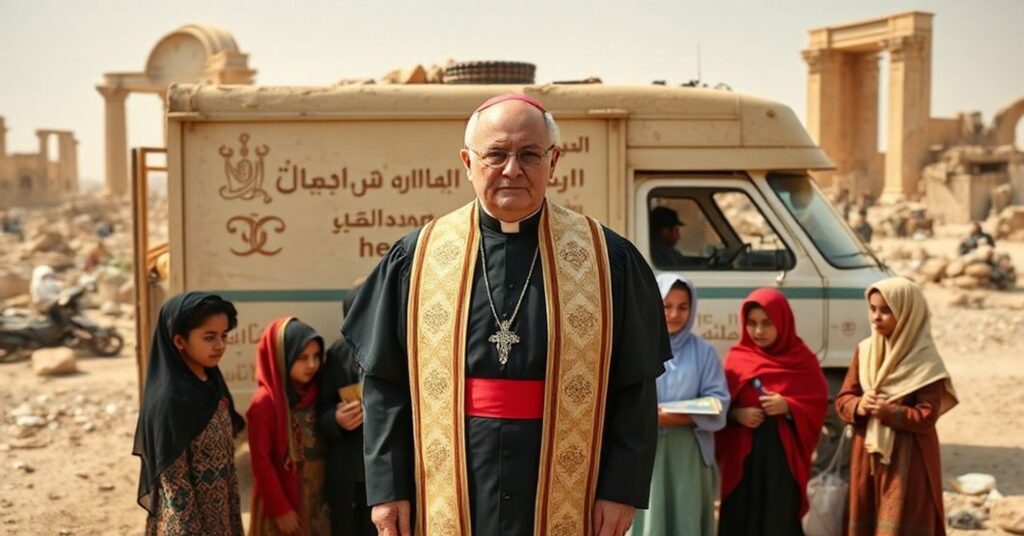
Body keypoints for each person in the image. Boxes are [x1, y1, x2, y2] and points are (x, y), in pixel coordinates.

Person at [342, 93, 669, 536]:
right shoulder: (416, 258)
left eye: (529, 154)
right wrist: (386, 490)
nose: (512, 169)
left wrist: (622, 489)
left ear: (553, 162)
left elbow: (634, 387)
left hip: (568, 483)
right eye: (496, 154)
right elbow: (384, 383)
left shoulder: (607, 259)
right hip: (448, 481)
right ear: (467, 161)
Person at [835, 277, 958, 535]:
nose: (876, 317)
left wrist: (888, 412)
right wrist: (859, 404)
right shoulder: (865, 351)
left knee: (904, 524)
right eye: (872, 309)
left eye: (886, 310)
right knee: (866, 517)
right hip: (866, 457)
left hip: (909, 461)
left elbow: (926, 416)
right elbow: (843, 399)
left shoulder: (924, 361)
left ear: (907, 314)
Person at [716, 288, 828, 536]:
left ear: (783, 322)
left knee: (779, 520)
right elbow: (718, 406)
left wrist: (789, 406)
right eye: (752, 323)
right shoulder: (737, 359)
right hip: (743, 462)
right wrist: (737, 415)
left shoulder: (802, 361)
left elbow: (818, 404)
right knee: (740, 518)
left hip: (782, 462)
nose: (758, 331)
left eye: (767, 323)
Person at [132, 292, 246, 535]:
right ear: (179, 342)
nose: (220, 345)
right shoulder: (170, 401)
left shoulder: (212, 383)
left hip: (224, 514)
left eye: (224, 336)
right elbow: (175, 488)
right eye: (209, 337)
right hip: (190, 524)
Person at [629, 274, 729, 536]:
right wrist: (650, 417)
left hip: (687, 455)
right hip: (645, 451)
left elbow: (718, 403)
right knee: (650, 520)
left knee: (686, 517)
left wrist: (667, 417)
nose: (674, 314)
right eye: (666, 305)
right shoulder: (637, 348)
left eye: (683, 307)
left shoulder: (703, 352)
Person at [248, 317, 331, 535]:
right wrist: (280, 508)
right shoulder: (264, 403)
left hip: (316, 497)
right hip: (283, 501)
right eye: (302, 358)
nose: (312, 365)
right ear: (282, 358)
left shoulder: (316, 392)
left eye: (316, 356)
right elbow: (261, 461)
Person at [318, 287, 376, 535]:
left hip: (385, 471)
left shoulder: (398, 349)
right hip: (348, 472)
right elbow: (321, 410)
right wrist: (336, 419)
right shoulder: (337, 354)